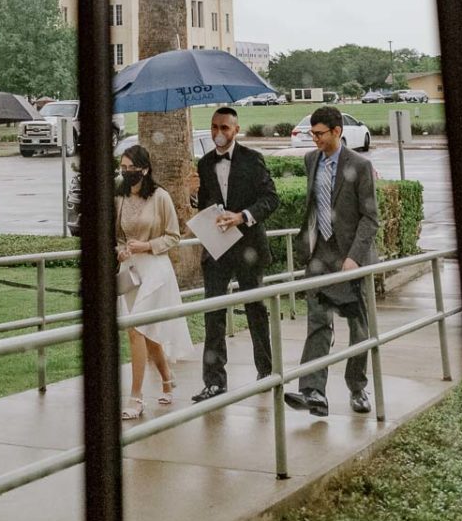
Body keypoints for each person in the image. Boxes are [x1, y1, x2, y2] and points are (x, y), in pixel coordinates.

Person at [284, 105, 379, 418]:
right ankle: (313, 392)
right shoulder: (311, 160)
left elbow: (370, 218)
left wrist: (354, 257)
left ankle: (357, 388)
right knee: (318, 323)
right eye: (312, 134)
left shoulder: (360, 165)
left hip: (352, 256)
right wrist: (306, 247)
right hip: (320, 255)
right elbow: (314, 206)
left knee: (358, 326)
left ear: (337, 132)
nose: (315, 139)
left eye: (320, 134)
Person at [191, 106, 279, 402]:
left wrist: (243, 216)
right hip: (216, 249)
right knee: (213, 314)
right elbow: (205, 205)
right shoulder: (203, 164)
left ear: (236, 130)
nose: (218, 133)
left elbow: (271, 199)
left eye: (225, 128)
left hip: (249, 248)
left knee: (255, 309)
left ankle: (266, 373)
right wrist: (195, 195)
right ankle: (214, 381)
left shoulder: (253, 160)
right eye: (214, 127)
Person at [115, 144, 193, 420]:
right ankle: (167, 377)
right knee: (146, 333)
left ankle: (136, 397)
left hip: (155, 270)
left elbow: (174, 235)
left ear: (144, 169)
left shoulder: (160, 197)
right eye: (122, 168)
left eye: (131, 168)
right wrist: (122, 249)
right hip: (130, 270)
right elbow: (116, 236)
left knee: (136, 329)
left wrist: (146, 246)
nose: (126, 173)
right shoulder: (120, 197)